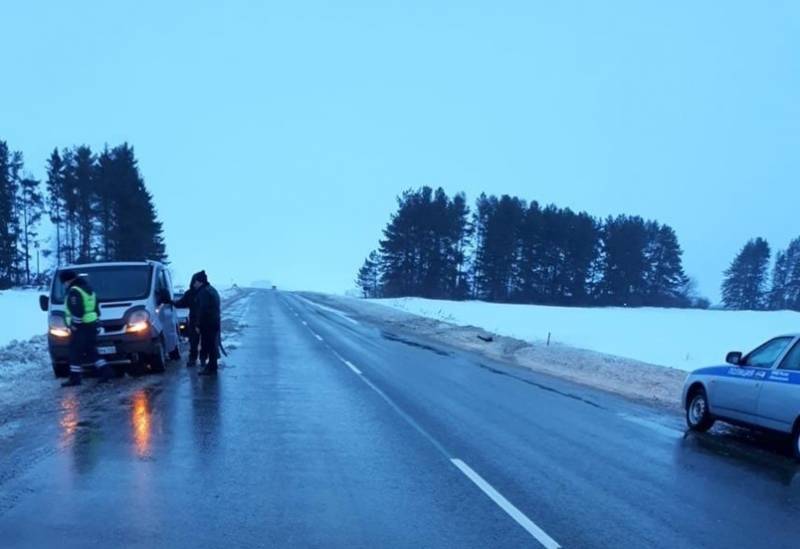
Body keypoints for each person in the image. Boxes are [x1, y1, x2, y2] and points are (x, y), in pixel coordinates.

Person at [60, 270, 112, 387]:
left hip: (81, 326)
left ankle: (75, 378)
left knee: (74, 351)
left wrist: (74, 325)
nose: (64, 284)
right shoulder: (88, 289)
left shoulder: (74, 291)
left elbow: (77, 310)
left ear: (68, 280)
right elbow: (96, 307)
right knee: (90, 350)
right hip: (91, 324)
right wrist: (96, 321)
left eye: (64, 282)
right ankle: (105, 370)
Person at [193, 270, 221, 376]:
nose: (194, 284)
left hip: (207, 323)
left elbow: (202, 309)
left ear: (200, 282)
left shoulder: (203, 292)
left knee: (208, 345)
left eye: (195, 282)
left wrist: (198, 324)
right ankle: (212, 366)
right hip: (214, 321)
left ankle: (211, 368)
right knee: (212, 345)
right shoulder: (212, 290)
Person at [172, 273, 201, 367]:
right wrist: (171, 302)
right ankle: (193, 359)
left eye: (197, 282)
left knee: (207, 341)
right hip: (194, 320)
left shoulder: (205, 292)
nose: (195, 283)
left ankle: (206, 361)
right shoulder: (190, 293)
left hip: (204, 320)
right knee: (193, 341)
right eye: (195, 282)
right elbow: (181, 303)